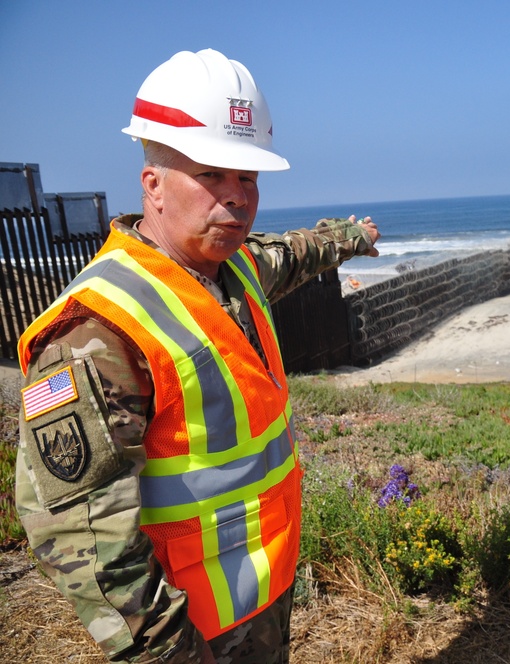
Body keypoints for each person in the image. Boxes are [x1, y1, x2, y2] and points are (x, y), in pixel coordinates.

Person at [15, 49, 380, 662]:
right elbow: (79, 537)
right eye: (212, 175)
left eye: (249, 178)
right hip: (193, 633)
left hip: (263, 599)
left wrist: (352, 238)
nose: (236, 198)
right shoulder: (99, 332)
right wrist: (169, 650)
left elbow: (291, 253)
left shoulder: (229, 269)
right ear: (152, 184)